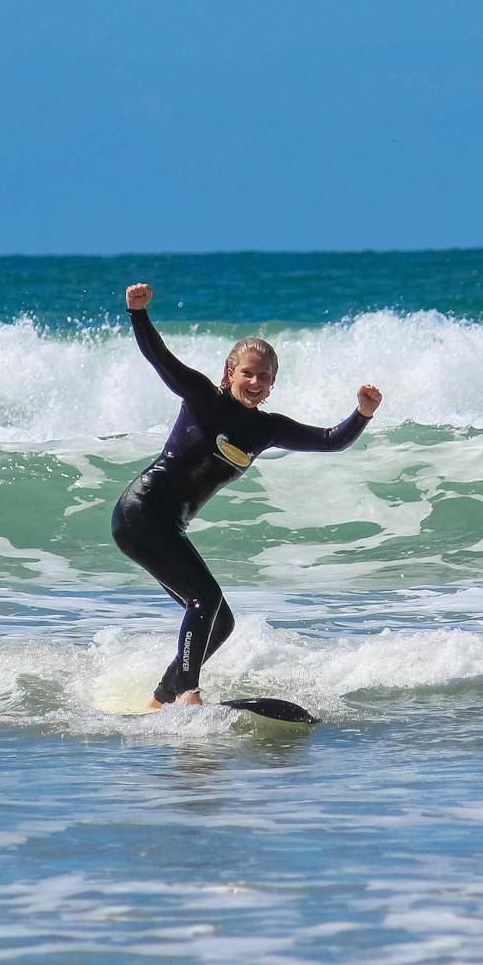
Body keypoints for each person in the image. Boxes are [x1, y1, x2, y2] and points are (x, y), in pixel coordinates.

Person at [111, 282, 381, 707]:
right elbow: (159, 358)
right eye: (247, 373)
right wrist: (138, 313)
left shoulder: (266, 428)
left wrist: (362, 413)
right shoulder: (202, 396)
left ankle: (160, 701)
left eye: (265, 376)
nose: (255, 381)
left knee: (220, 622)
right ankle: (187, 694)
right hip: (141, 511)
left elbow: (331, 440)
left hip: (168, 526)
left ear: (272, 384)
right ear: (229, 374)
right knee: (206, 599)